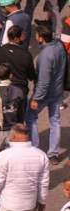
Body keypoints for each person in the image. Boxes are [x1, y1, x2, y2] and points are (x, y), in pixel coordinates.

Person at [27, 22, 65, 160]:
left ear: (41, 37)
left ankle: (35, 150)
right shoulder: (59, 46)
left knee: (30, 117)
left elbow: (43, 81)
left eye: (37, 35)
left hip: (45, 94)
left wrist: (36, 98)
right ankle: (53, 153)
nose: (36, 37)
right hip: (57, 91)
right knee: (55, 121)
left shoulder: (46, 55)